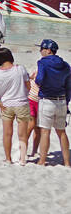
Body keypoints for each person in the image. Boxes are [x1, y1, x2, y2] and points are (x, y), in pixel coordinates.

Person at [0, 48, 32, 164]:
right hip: (22, 103)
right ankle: (22, 159)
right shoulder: (20, 69)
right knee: (22, 135)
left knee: (7, 133)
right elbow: (28, 86)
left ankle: (8, 158)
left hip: (6, 105)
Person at [33, 39, 71, 168]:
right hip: (61, 100)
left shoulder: (42, 63)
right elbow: (68, 87)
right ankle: (67, 162)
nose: (40, 51)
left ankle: (42, 161)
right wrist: (67, 103)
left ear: (48, 50)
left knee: (45, 132)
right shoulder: (66, 66)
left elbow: (40, 80)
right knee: (62, 132)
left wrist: (35, 79)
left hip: (47, 100)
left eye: (42, 49)